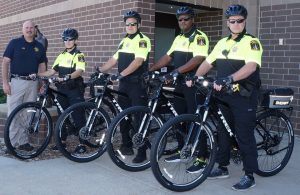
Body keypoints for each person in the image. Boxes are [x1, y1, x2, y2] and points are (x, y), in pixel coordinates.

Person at [189, 4, 263, 191]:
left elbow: (251, 66)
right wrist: (195, 76)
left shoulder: (251, 42)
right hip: (224, 95)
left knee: (244, 135)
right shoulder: (222, 43)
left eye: (240, 21)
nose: (236, 24)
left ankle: (249, 175)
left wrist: (229, 78)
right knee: (223, 131)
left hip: (244, 95)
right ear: (227, 23)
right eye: (233, 21)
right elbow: (207, 62)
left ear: (244, 22)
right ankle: (222, 167)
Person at [149, 6, 209, 169]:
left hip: (193, 85)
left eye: (186, 19)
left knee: (196, 121)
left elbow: (198, 59)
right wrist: (151, 69)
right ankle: (183, 148)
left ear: (192, 19)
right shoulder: (178, 38)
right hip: (180, 84)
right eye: (180, 19)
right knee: (178, 117)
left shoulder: (199, 37)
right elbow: (168, 57)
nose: (182, 22)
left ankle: (202, 157)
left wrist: (175, 72)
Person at [99, 10, 151, 163]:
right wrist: (100, 70)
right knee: (123, 116)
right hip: (124, 85)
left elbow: (138, 61)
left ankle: (142, 151)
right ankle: (126, 145)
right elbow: (113, 60)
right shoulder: (124, 40)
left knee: (139, 118)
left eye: (133, 24)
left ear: (138, 24)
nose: (130, 26)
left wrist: (121, 74)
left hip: (137, 84)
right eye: (127, 24)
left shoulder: (143, 40)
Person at [32, 28, 86, 153]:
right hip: (62, 90)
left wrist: (67, 76)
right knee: (62, 116)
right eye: (65, 39)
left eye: (70, 39)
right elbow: (51, 71)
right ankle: (62, 142)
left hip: (74, 89)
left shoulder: (79, 55)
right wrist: (38, 74)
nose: (67, 42)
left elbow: (79, 71)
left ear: (75, 40)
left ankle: (82, 143)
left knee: (78, 116)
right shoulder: (61, 55)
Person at [2, 20, 47, 151]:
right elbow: (5, 63)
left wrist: (42, 83)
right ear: (22, 30)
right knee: (14, 112)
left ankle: (23, 141)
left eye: (31, 28)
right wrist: (5, 83)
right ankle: (11, 144)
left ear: (34, 30)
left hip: (33, 83)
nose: (29, 30)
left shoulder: (39, 46)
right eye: (26, 27)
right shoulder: (14, 43)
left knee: (28, 113)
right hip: (16, 82)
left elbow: (42, 66)